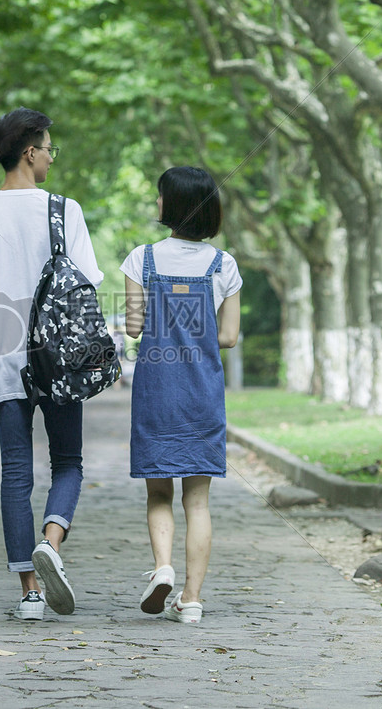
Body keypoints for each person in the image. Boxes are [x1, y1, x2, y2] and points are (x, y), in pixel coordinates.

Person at [0, 107, 104, 621]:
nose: (52, 158)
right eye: (50, 148)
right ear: (30, 152)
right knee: (69, 463)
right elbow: (85, 285)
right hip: (60, 360)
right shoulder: (64, 210)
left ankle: (31, 594)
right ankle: (51, 542)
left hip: (0, 360)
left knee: (16, 472)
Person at [121, 166, 242, 624]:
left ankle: (162, 567)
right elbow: (229, 336)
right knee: (198, 501)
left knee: (159, 494)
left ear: (172, 205)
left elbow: (133, 327)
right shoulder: (223, 265)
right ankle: (191, 599)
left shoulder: (142, 259)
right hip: (202, 393)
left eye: (159, 197)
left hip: (156, 390)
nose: (156, 203)